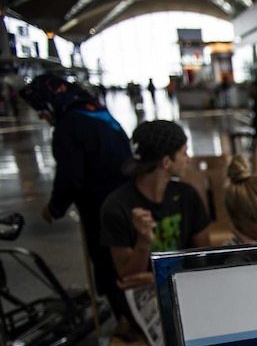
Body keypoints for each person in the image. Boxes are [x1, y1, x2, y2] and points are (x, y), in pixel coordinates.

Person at [19, 74, 131, 317]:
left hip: (100, 207)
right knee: (125, 261)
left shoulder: (69, 125)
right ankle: (133, 316)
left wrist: (55, 207)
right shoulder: (97, 111)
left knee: (107, 264)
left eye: (40, 108)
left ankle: (125, 321)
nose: (41, 115)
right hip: (127, 200)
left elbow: (71, 176)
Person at [100, 120, 210, 287]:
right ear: (166, 162)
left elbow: (204, 260)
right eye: (183, 153)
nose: (188, 160)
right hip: (144, 294)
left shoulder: (186, 196)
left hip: (185, 285)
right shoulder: (117, 206)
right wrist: (143, 241)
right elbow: (129, 278)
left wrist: (158, 279)